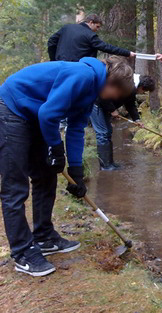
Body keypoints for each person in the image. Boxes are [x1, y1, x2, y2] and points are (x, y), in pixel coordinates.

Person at [0, 56, 134, 277]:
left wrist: (76, 171)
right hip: (11, 109)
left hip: (34, 116)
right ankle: (22, 253)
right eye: (117, 95)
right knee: (15, 186)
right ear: (111, 84)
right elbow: (48, 113)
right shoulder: (83, 76)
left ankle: (43, 237)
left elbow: (76, 129)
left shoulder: (92, 91)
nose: (115, 100)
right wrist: (55, 148)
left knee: (46, 176)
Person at [90, 74, 156, 171]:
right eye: (144, 91)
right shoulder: (126, 82)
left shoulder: (132, 88)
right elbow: (103, 93)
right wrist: (112, 110)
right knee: (102, 134)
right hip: (97, 104)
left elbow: (130, 104)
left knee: (108, 132)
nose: (143, 93)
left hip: (104, 108)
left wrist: (137, 120)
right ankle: (105, 166)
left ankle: (110, 163)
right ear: (142, 87)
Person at [47, 13, 136, 62]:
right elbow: (106, 47)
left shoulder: (66, 28)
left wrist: (54, 60)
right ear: (90, 22)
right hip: (78, 68)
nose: (97, 30)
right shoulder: (90, 35)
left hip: (59, 64)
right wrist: (127, 53)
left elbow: (51, 41)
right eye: (97, 27)